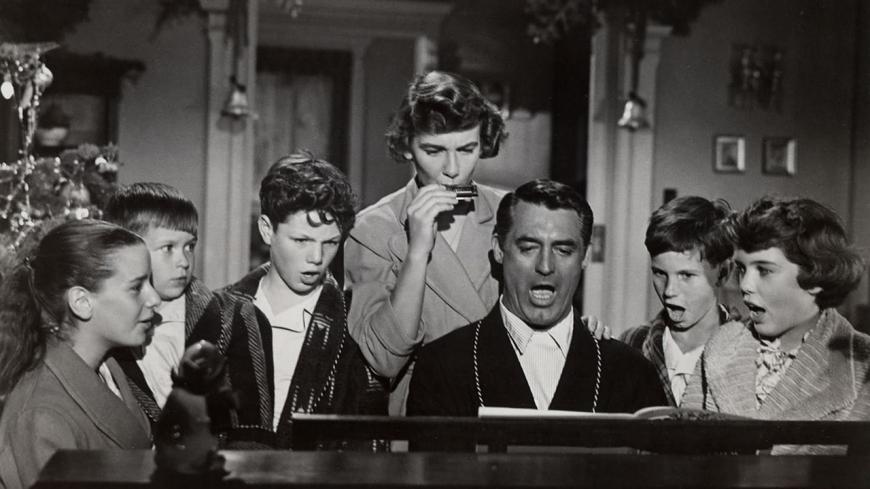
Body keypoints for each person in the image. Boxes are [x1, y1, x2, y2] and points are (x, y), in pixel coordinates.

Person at [345, 71, 607, 414]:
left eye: (467, 149)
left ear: (483, 143)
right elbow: (384, 360)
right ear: (408, 146)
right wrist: (417, 252)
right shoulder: (372, 229)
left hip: (509, 402)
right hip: (424, 412)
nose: (453, 169)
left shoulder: (512, 213)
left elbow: (540, 299)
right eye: (434, 150)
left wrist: (573, 329)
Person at [407, 179, 667, 419]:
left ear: (585, 257)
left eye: (563, 250)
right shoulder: (443, 366)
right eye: (529, 248)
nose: (545, 266)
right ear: (499, 249)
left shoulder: (631, 372)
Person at [213, 153, 386, 449]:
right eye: (302, 240)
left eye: (330, 242)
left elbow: (367, 443)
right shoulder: (219, 312)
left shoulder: (355, 321)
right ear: (267, 230)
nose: (316, 258)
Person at [682, 196, 870, 453]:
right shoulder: (720, 345)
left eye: (764, 270)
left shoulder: (861, 365)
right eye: (742, 269)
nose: (745, 285)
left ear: (815, 276)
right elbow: (682, 452)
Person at [0, 219, 160, 489]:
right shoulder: (42, 414)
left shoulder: (109, 368)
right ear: (82, 302)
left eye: (150, 283)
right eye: (136, 288)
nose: (155, 298)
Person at [104, 182, 216, 427]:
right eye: (168, 248)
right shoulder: (110, 328)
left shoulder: (217, 319)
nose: (183, 261)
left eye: (190, 247)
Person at [620, 196, 735, 406]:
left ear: (723, 273)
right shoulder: (631, 344)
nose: (669, 291)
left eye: (686, 275)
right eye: (659, 273)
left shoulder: (752, 350)